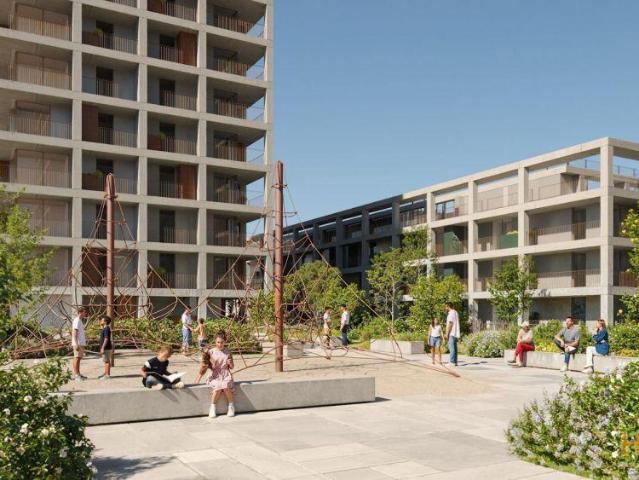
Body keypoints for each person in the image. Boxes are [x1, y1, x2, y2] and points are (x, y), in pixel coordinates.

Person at [199, 331, 235, 418]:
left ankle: (231, 406)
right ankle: (212, 408)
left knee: (226, 386)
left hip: (225, 374)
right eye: (218, 342)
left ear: (224, 342)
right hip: (215, 375)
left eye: (222, 342)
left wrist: (230, 363)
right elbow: (208, 365)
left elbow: (232, 367)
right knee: (218, 387)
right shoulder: (211, 352)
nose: (220, 344)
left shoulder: (228, 351)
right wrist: (208, 357)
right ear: (215, 342)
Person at [71, 307, 88, 381]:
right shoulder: (77, 320)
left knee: (79, 358)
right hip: (77, 343)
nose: (85, 313)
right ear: (80, 312)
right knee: (76, 358)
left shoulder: (80, 320)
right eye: (84, 312)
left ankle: (78, 373)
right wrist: (76, 344)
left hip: (80, 343)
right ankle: (76, 375)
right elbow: (74, 332)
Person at [444, 302, 460, 367]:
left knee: (451, 348)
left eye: (445, 307)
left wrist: (447, 333)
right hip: (455, 332)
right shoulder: (455, 312)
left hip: (452, 333)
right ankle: (455, 362)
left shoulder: (451, 313)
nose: (445, 308)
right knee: (455, 348)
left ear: (448, 306)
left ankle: (452, 362)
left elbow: (450, 324)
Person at [98, 315, 113, 380]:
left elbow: (106, 339)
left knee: (107, 361)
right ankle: (106, 373)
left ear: (105, 322)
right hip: (106, 347)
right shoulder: (105, 328)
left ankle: (107, 375)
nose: (100, 321)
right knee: (106, 361)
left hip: (106, 347)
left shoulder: (106, 328)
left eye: (102, 320)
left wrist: (103, 347)